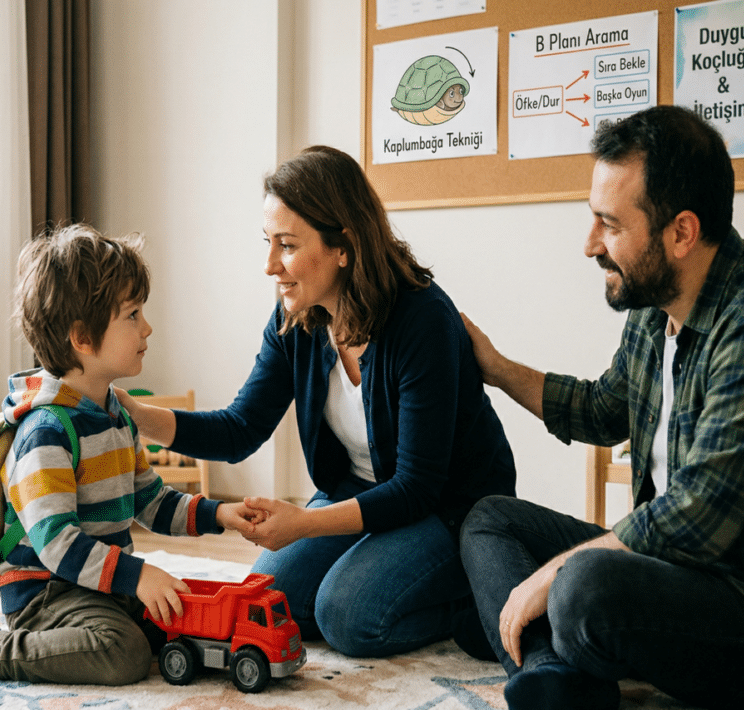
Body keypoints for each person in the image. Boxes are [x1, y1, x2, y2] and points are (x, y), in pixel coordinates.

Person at [117, 145, 516, 659]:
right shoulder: (297, 318)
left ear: (343, 246)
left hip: (448, 507)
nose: (269, 266)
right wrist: (135, 413)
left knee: (347, 617)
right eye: (268, 242)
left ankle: (476, 604)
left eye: (286, 245)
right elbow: (242, 428)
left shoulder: (423, 320)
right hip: (358, 493)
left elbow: (417, 487)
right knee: (272, 602)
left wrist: (304, 523)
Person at [460, 105, 744, 710]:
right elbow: (602, 408)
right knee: (490, 519)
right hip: (666, 566)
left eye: (609, 224)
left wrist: (551, 575)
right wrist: (495, 367)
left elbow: (698, 514)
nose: (590, 245)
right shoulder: (656, 305)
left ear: (681, 233)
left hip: (738, 593)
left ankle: (543, 643)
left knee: (580, 589)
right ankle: (551, 675)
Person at [0, 224, 258, 686]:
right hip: (47, 592)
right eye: (132, 315)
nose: (147, 327)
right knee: (125, 653)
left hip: (98, 582)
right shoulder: (46, 432)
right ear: (82, 337)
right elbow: (57, 546)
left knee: (182, 614)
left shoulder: (115, 415)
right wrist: (136, 577)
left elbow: (151, 503)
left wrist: (224, 515)